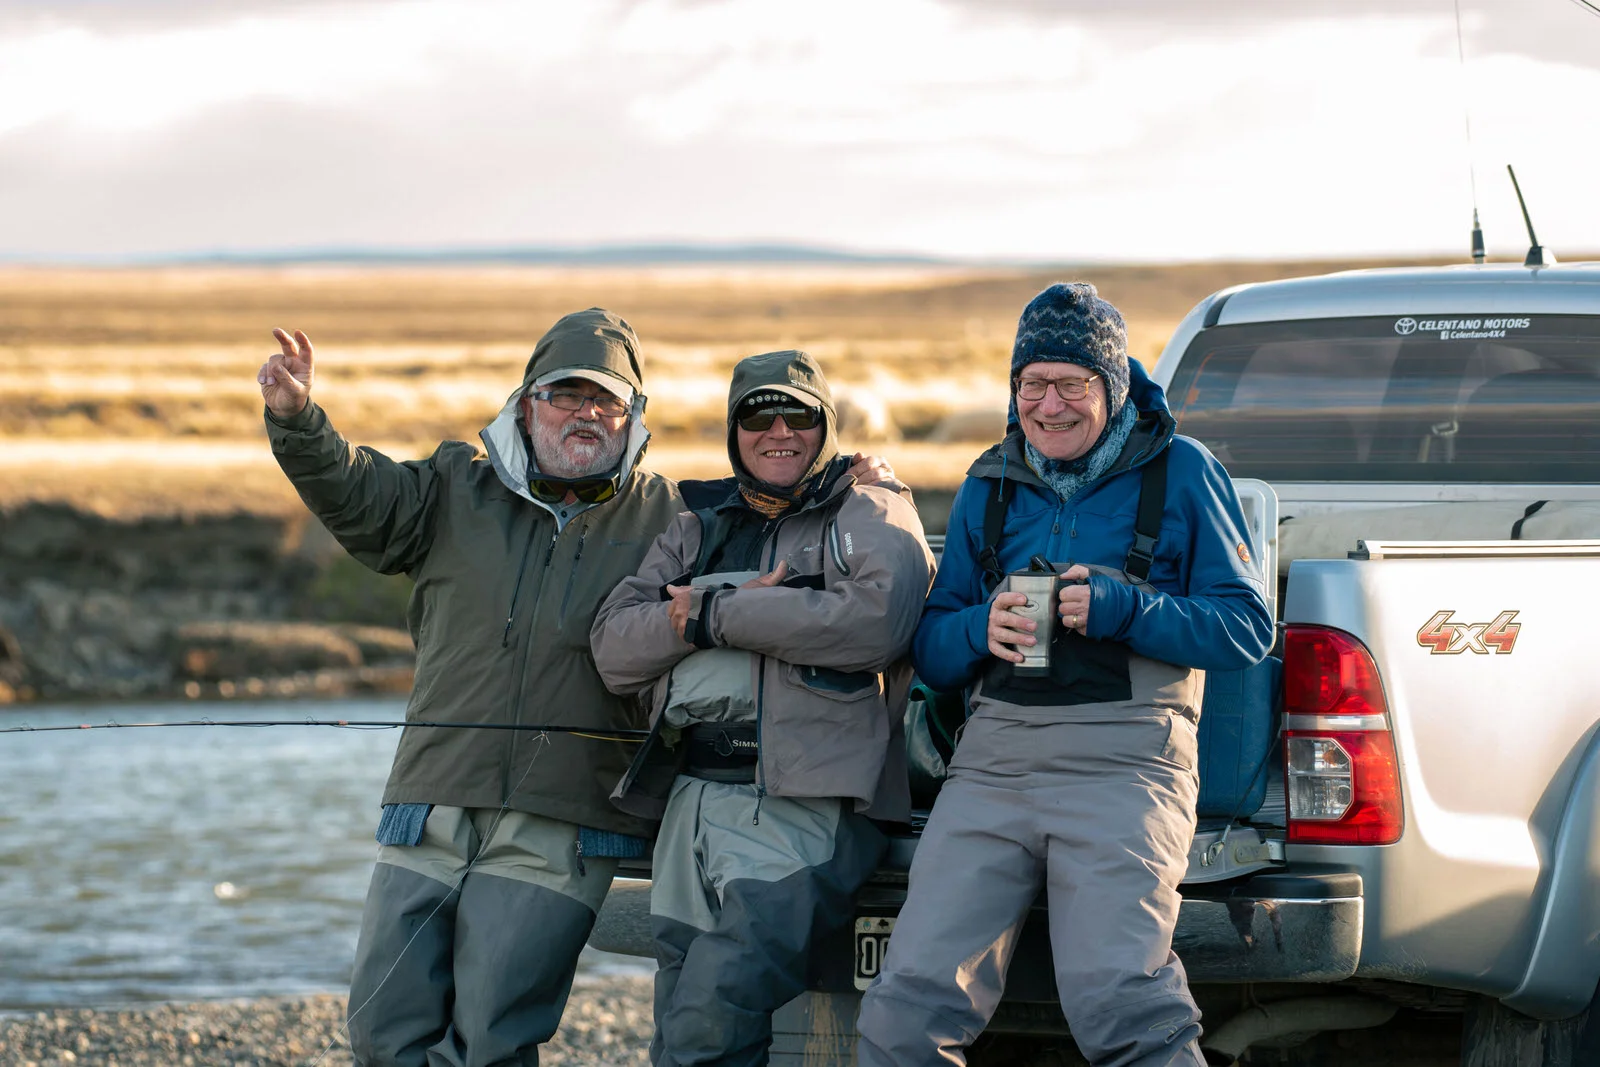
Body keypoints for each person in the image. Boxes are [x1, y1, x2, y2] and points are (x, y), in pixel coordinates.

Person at [855, 283, 1274, 1067]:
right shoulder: (990, 481)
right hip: (993, 765)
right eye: (1032, 384)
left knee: (1124, 1002)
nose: (1050, 405)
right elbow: (934, 652)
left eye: (1072, 384)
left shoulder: (1183, 471)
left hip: (1128, 765)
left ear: (1111, 388)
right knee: (905, 1006)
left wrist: (1123, 606)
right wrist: (981, 627)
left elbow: (1246, 628)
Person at [257, 309, 687, 1067]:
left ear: (633, 416)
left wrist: (864, 492)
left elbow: (775, 537)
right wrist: (297, 420)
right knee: (381, 1031)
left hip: (563, 823)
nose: (587, 412)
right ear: (526, 403)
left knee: (490, 1040)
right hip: (432, 801)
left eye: (607, 400)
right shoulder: (456, 484)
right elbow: (358, 494)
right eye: (567, 393)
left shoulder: (674, 520)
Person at [590, 349, 935, 1067]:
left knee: (709, 1018)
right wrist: (720, 613)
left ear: (826, 426)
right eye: (757, 413)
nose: (778, 429)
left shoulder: (871, 506)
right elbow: (614, 650)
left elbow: (877, 622)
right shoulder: (697, 522)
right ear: (733, 428)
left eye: (799, 415)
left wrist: (714, 612)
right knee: (679, 1019)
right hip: (690, 802)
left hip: (803, 806)